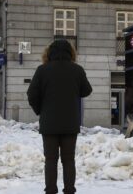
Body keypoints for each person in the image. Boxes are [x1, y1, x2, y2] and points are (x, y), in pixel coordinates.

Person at [27, 39, 92, 194]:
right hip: (70, 124)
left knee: (50, 160)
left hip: (49, 124)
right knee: (69, 160)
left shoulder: (42, 70)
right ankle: (69, 190)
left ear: (49, 53)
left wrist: (40, 110)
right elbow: (87, 91)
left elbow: (31, 94)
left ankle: (50, 190)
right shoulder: (77, 70)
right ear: (71, 52)